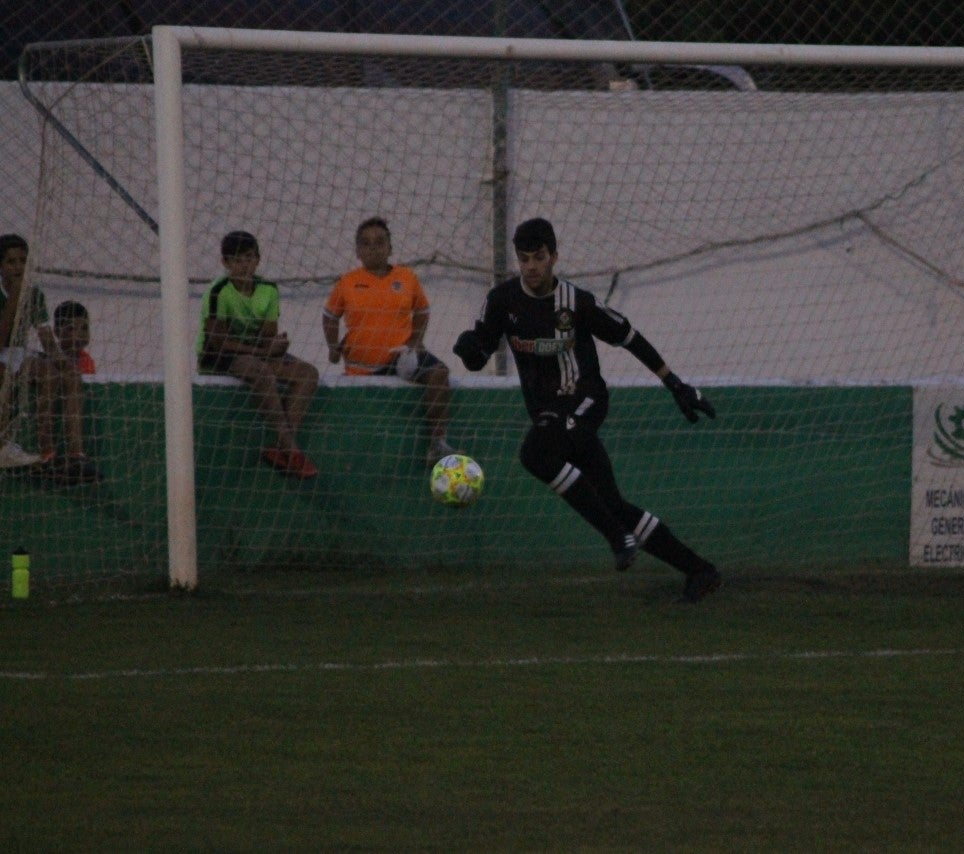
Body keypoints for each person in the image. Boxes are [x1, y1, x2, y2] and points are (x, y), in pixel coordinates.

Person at [452, 217, 722, 603]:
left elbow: (629, 337)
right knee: (612, 504)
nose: (531, 266)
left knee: (534, 454)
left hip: (586, 399)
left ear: (554, 257)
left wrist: (675, 384)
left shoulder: (576, 302)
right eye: (524, 258)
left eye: (539, 257)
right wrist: (469, 352)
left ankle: (616, 538)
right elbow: (480, 353)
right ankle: (700, 570)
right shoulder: (502, 301)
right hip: (549, 415)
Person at [323, 216, 457, 465]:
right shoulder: (347, 282)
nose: (373, 247)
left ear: (390, 247)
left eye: (379, 242)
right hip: (360, 369)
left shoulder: (406, 278)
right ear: (358, 251)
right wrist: (332, 347)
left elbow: (423, 311)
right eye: (366, 243)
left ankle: (438, 443)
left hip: (398, 357)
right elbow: (330, 317)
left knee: (439, 373)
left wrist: (416, 341)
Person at [197, 230, 319, 479]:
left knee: (307, 374)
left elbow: (266, 336)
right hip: (219, 355)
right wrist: (261, 350)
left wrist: (276, 345)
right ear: (226, 263)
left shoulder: (268, 290)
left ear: (258, 259)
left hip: (255, 351)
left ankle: (281, 447)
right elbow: (217, 341)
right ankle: (293, 451)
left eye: (249, 258)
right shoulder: (219, 291)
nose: (244, 265)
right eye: (237, 260)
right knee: (260, 372)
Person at [0, 233, 98, 481]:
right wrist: (14, 297)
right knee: (46, 372)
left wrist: (63, 362)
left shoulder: (34, 294)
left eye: (23, 261)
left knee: (68, 374)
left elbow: (46, 339)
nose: (18, 267)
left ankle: (75, 454)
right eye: (11, 262)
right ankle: (46, 452)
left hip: (17, 354)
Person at [53, 300, 96, 375]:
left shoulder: (87, 360)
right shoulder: (50, 358)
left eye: (84, 328)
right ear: (57, 332)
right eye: (72, 328)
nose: (80, 334)